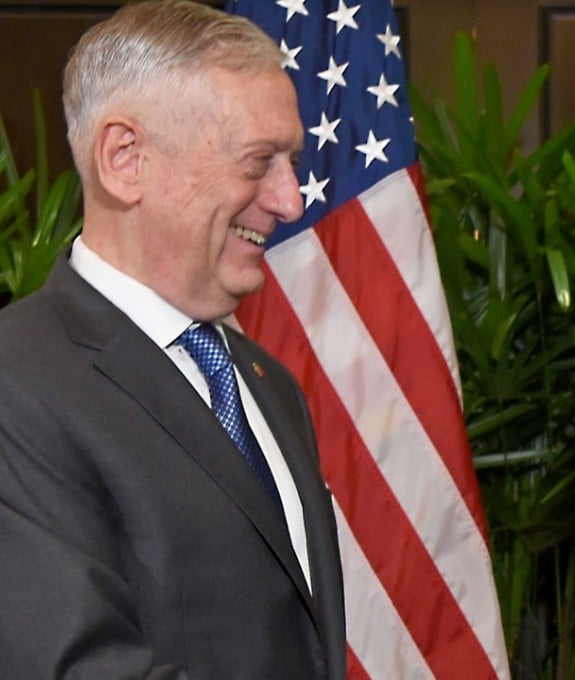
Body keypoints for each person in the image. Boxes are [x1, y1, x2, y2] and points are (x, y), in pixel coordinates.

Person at [0, 1, 346, 677]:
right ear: (125, 159)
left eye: (292, 160)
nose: (290, 201)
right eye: (259, 162)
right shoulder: (16, 385)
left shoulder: (268, 385)